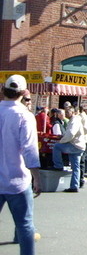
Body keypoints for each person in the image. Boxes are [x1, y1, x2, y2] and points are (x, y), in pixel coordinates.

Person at [0, 75, 41, 255]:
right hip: (17, 180)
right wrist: (37, 177)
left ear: (3, 90)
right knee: (25, 225)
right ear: (24, 93)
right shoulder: (25, 116)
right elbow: (29, 149)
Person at [52, 105, 87, 192]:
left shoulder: (74, 120)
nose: (66, 113)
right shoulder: (75, 120)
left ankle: (58, 166)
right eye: (66, 112)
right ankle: (74, 186)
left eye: (68, 112)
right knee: (76, 167)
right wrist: (64, 136)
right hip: (80, 146)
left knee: (56, 147)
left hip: (74, 145)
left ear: (73, 112)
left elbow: (71, 133)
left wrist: (62, 141)